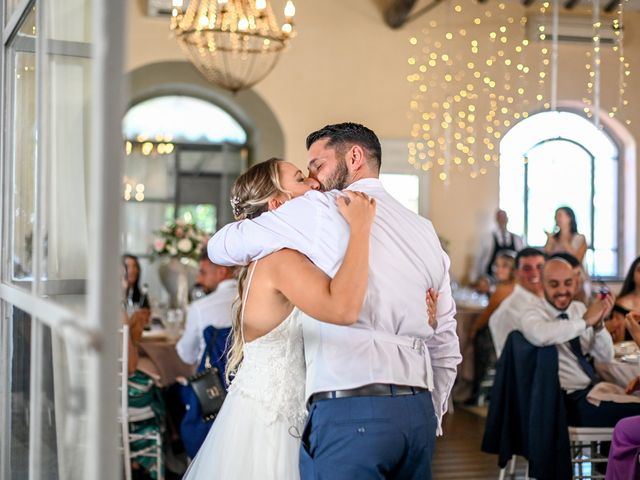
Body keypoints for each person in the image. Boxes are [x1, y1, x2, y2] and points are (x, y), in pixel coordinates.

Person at [208, 123, 461, 479]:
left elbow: (220, 246)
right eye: (305, 173)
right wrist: (431, 413)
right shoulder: (424, 230)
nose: (313, 179)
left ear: (354, 156)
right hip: (416, 411)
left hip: (350, 408)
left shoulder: (317, 209)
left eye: (316, 165)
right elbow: (446, 339)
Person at [183, 158, 377, 479]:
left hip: (264, 409)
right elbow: (340, 306)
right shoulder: (281, 260)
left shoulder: (268, 258)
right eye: (301, 179)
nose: (314, 184)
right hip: (273, 422)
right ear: (278, 203)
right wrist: (360, 229)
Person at [520, 258, 640, 427]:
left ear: (576, 282)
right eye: (554, 284)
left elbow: (606, 356)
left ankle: (614, 451)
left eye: (568, 283)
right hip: (563, 403)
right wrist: (585, 323)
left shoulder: (578, 308)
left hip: (592, 390)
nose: (562, 290)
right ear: (542, 283)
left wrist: (598, 326)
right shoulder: (532, 313)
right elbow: (541, 335)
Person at [467, 250, 516, 404]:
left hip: (500, 336)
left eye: (504, 267)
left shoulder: (503, 288)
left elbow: (487, 314)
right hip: (510, 334)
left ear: (513, 270)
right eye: (497, 266)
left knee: (478, 337)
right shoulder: (514, 286)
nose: (498, 270)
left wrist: (473, 330)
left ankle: (476, 392)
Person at [175, 253, 237, 365]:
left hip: (215, 379)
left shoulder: (200, 307)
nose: (198, 279)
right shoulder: (255, 299)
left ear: (222, 272)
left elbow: (187, 356)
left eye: (203, 273)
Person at [488, 248, 546, 357]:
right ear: (517, 273)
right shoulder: (510, 310)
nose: (535, 273)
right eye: (527, 268)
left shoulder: (548, 302)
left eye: (540, 267)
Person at [470, 209, 524, 292]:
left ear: (507, 219)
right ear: (496, 219)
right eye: (500, 217)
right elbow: (478, 260)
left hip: (512, 282)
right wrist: (473, 279)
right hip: (490, 281)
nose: (502, 220)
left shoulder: (517, 239)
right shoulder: (487, 238)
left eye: (504, 217)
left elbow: (522, 259)